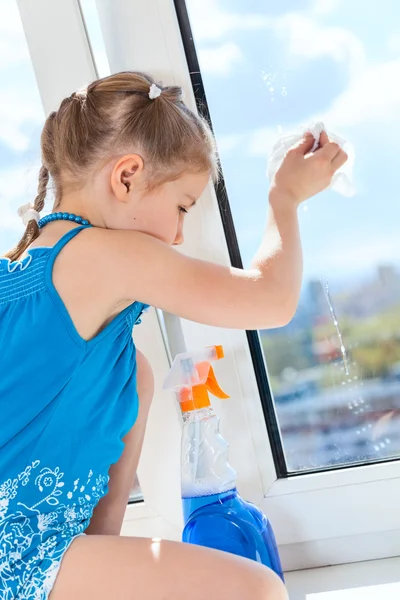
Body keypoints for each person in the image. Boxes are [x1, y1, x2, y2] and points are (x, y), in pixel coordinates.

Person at [0, 71, 347, 600]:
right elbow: (271, 301)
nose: (180, 235)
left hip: (41, 561)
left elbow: (103, 525)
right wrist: (285, 198)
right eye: (182, 206)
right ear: (127, 177)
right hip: (19, 557)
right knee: (253, 588)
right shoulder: (98, 254)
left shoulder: (115, 363)